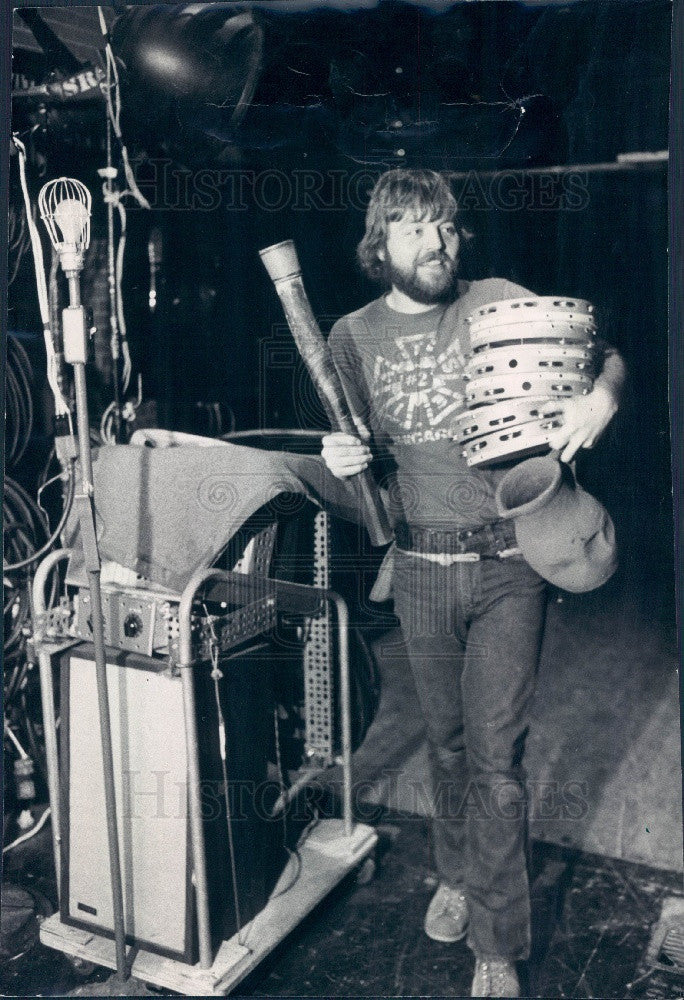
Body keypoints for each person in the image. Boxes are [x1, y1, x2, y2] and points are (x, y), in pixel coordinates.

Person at [320, 169, 625, 998]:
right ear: (379, 244)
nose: (439, 243)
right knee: (449, 747)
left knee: (497, 759)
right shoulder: (350, 336)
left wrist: (599, 396)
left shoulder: (494, 299)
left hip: (508, 563)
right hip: (419, 567)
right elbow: (355, 449)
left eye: (448, 226)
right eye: (416, 228)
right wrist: (342, 459)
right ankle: (456, 870)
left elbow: (605, 351)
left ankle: (498, 942)